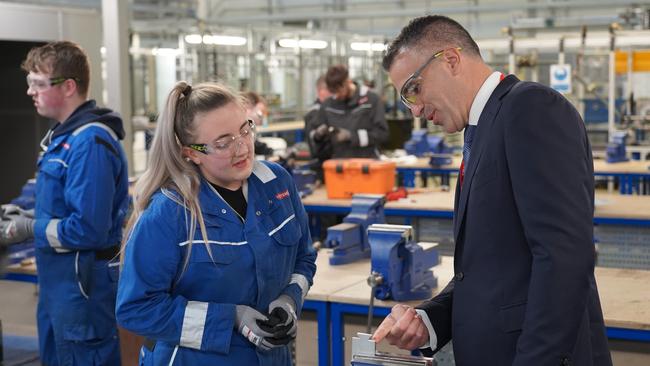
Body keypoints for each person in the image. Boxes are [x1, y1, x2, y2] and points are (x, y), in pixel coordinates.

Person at [373, 15, 612, 366]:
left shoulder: (530, 108)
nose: (416, 110)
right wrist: (430, 320)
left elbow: (564, 257)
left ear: (450, 60)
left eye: (414, 89)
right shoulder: (480, 131)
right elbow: (490, 269)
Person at [115, 81, 317, 365]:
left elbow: (304, 259)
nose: (242, 148)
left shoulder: (277, 184)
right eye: (223, 142)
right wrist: (230, 318)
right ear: (191, 152)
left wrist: (289, 300)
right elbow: (136, 309)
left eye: (245, 130)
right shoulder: (170, 213)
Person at [0, 41, 128, 365]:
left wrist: (29, 228)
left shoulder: (90, 144)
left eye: (38, 84)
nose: (30, 92)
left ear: (69, 86)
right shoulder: (64, 138)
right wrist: (29, 213)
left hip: (82, 291)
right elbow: (67, 208)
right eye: (30, 83)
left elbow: (88, 230)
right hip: (59, 288)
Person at [312, 64, 388, 159]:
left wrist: (351, 136)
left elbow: (382, 135)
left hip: (366, 165)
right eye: (333, 92)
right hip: (338, 166)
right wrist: (317, 135)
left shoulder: (371, 100)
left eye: (339, 91)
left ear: (348, 82)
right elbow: (315, 141)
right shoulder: (328, 105)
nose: (336, 96)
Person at [304, 75, 333, 179]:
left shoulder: (329, 110)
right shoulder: (314, 114)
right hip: (322, 170)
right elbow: (315, 148)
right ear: (321, 91)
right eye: (331, 90)